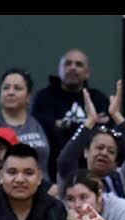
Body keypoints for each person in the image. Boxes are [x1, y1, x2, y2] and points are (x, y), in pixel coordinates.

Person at [55, 81, 125, 202]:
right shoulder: (73, 178)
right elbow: (64, 161)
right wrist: (89, 122)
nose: (104, 153)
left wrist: (117, 116)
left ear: (116, 161)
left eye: (111, 151)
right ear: (86, 152)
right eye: (99, 148)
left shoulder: (123, 179)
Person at [31, 48, 111, 178]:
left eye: (79, 64)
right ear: (59, 69)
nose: (73, 68)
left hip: (91, 173)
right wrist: (89, 124)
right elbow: (44, 132)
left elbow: (104, 133)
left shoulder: (98, 99)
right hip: (52, 173)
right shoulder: (44, 98)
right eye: (68, 64)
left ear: (87, 73)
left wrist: (64, 125)